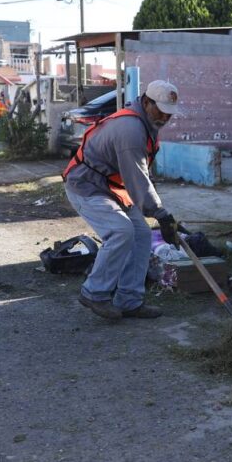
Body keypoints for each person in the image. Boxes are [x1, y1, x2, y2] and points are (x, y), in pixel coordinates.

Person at [62, 80, 182, 321]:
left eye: (169, 113)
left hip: (113, 189)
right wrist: (160, 213)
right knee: (121, 231)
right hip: (86, 185)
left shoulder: (147, 123)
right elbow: (137, 177)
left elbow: (143, 176)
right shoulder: (131, 129)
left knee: (141, 235)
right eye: (160, 110)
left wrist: (161, 213)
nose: (165, 117)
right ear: (146, 102)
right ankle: (94, 292)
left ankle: (129, 300)